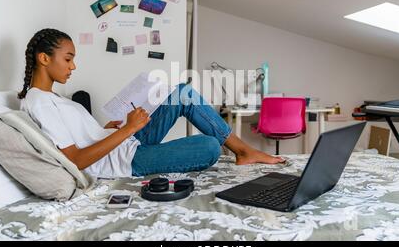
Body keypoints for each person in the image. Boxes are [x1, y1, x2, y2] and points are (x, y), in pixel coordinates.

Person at [19, 29, 286, 179]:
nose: (73, 65)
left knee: (183, 92)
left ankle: (243, 151)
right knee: (208, 146)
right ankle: (239, 151)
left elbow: (80, 140)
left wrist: (108, 129)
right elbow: (75, 160)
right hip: (127, 160)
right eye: (68, 59)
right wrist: (126, 130)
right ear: (44, 58)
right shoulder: (38, 102)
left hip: (124, 142)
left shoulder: (52, 98)